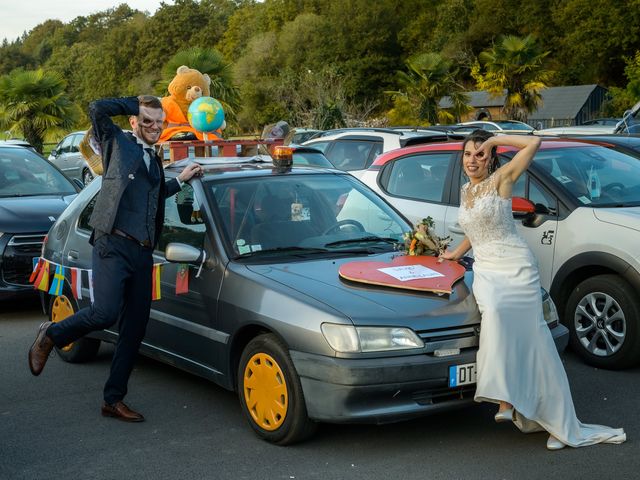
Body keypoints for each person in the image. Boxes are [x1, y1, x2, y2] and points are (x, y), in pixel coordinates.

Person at [439, 129, 626, 450]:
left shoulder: (502, 179)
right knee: (498, 321)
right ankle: (510, 401)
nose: (473, 160)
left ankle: (546, 418)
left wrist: (495, 140)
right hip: (486, 270)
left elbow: (534, 143)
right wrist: (457, 253)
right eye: (468, 154)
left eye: (480, 154)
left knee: (536, 346)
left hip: (515, 268)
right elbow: (476, 227)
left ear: (491, 157)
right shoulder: (465, 190)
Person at [28, 96, 203, 422]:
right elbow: (96, 108)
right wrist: (134, 103)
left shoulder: (155, 157)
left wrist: (180, 181)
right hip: (112, 244)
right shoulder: (117, 142)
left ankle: (113, 399)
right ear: (135, 122)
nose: (154, 127)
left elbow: (150, 194)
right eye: (147, 120)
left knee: (135, 328)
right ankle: (51, 335)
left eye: (158, 122)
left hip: (142, 252)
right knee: (105, 312)